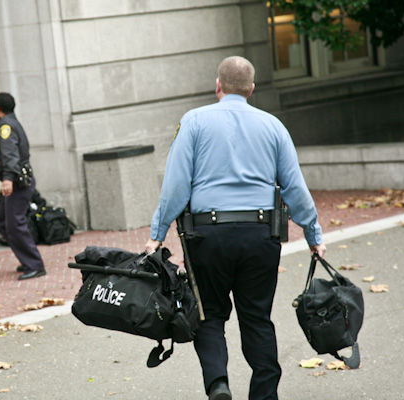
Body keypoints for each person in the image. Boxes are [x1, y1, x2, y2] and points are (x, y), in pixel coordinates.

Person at [145, 56, 326, 400]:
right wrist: (313, 235)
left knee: (209, 314)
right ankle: (264, 395)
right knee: (257, 317)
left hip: (206, 236)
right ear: (251, 89)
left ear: (218, 85)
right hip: (260, 235)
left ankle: (218, 384)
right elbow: (295, 188)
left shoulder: (194, 121)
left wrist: (158, 233)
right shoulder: (273, 126)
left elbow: (176, 185)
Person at [0, 92, 46, 280]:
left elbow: (10, 156)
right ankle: (27, 260)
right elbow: (2, 161)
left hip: (18, 184)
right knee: (3, 221)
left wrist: (7, 179)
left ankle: (35, 265)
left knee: (15, 224)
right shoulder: (10, 122)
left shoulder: (5, 126)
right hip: (18, 181)